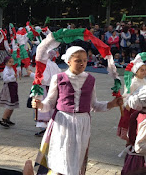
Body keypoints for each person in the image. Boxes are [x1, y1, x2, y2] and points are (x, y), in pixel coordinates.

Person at [32, 46, 122, 174]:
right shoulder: (58, 78)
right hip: (62, 122)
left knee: (76, 158)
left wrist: (111, 104)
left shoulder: (91, 79)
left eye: (85, 60)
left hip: (82, 123)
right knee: (60, 156)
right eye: (78, 60)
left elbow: (94, 105)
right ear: (68, 61)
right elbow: (50, 103)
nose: (82, 63)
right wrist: (40, 105)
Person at [27, 50, 61, 136]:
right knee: (52, 109)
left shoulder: (45, 65)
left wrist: (31, 74)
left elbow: (43, 79)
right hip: (53, 89)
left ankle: (46, 129)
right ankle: (51, 127)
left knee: (44, 109)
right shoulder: (54, 64)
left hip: (44, 89)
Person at [118, 62, 146, 144]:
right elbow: (127, 95)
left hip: (142, 110)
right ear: (136, 71)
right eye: (142, 70)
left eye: (145, 70)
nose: (144, 72)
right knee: (131, 132)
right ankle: (130, 151)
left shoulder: (144, 81)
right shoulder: (132, 82)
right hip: (133, 110)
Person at [0, 56, 19, 128]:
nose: (11, 63)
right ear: (6, 63)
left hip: (13, 87)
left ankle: (7, 118)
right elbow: (5, 80)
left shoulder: (11, 68)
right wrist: (13, 76)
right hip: (9, 87)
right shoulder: (6, 70)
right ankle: (3, 119)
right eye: (10, 62)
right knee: (9, 104)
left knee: (13, 104)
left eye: (12, 62)